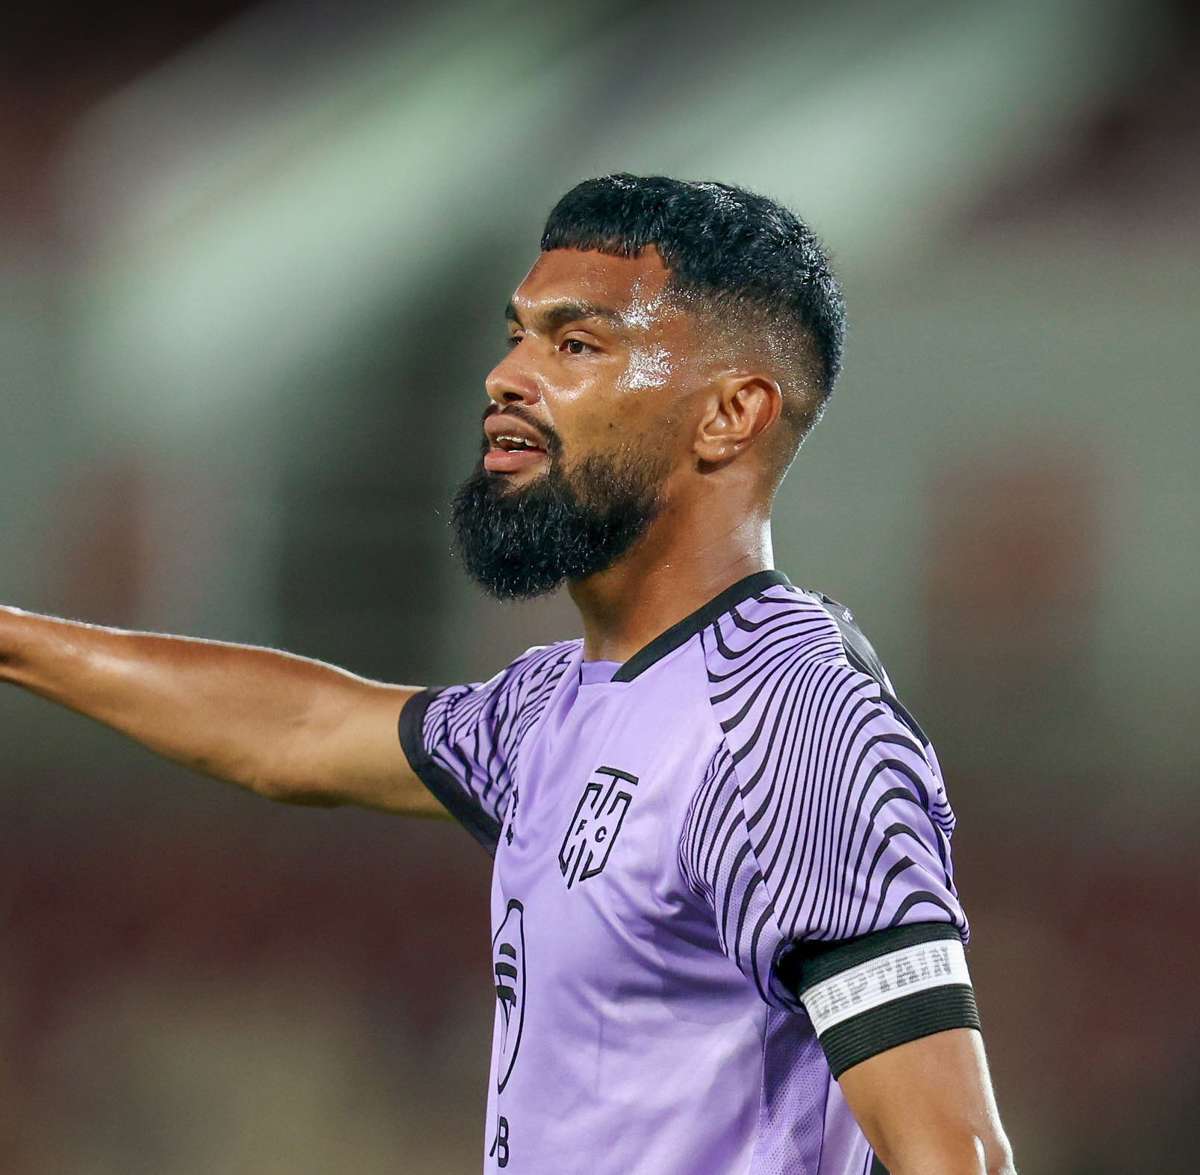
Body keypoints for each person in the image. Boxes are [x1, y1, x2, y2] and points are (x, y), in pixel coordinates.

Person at [0, 174, 1015, 1174]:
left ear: (730, 414)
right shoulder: (556, 705)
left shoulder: (788, 725)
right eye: (518, 334)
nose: (506, 375)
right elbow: (302, 732)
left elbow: (955, 1152)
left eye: (576, 343)